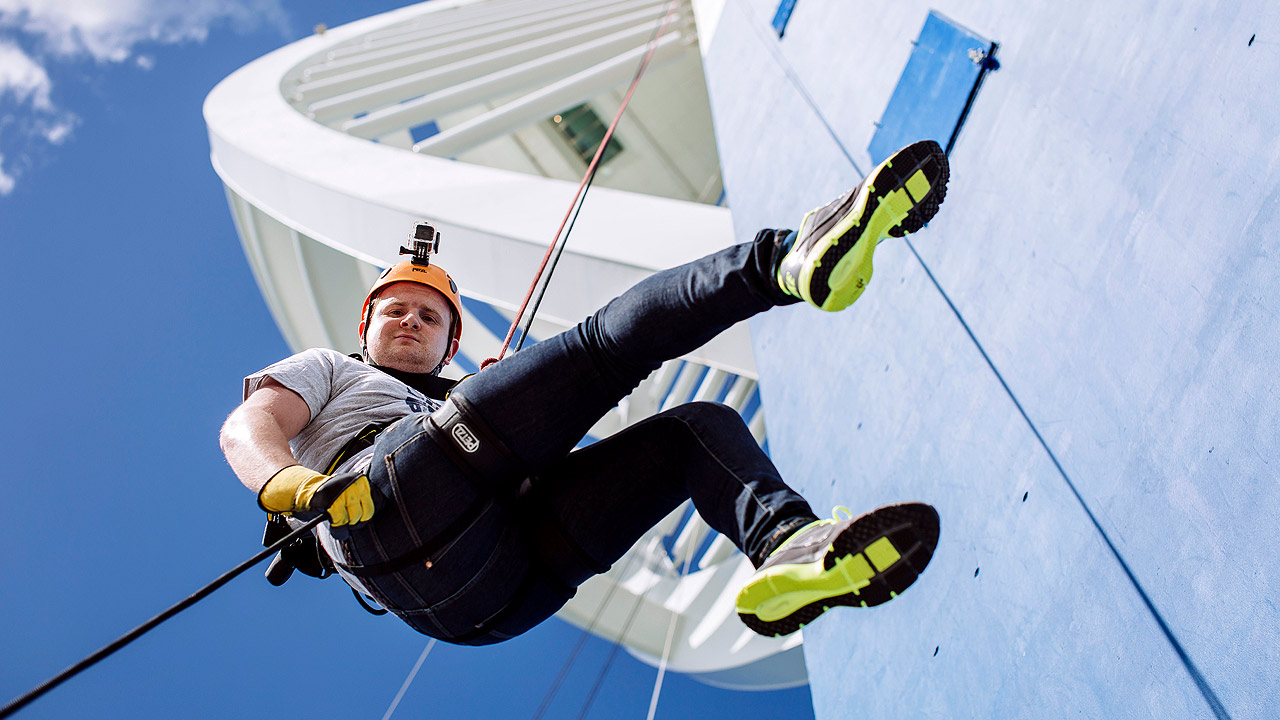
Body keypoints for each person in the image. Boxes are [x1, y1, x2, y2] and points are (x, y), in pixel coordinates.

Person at [220, 140, 948, 644]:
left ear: (451, 344)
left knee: (693, 431)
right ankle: (784, 261)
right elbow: (248, 425)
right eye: (396, 310)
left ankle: (788, 547)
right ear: (364, 323)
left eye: (432, 316)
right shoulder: (332, 368)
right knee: (604, 350)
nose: (411, 319)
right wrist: (290, 483)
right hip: (385, 498)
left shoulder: (448, 401)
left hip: (496, 600)